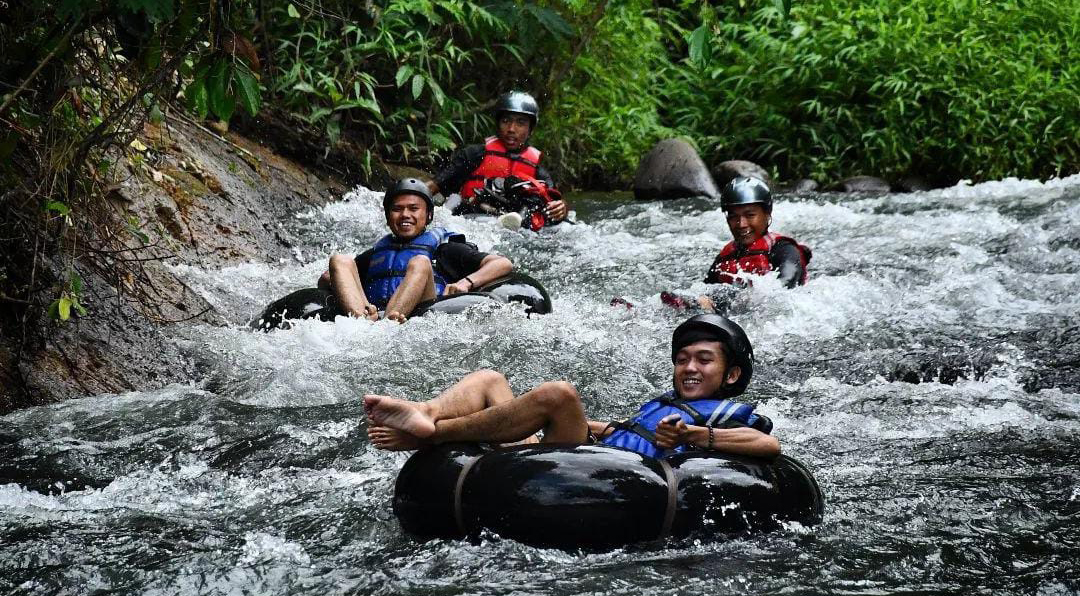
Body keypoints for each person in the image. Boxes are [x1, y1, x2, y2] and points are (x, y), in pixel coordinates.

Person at [365, 314, 779, 459]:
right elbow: (621, 433)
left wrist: (694, 435)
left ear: (731, 375)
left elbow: (768, 447)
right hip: (589, 449)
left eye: (703, 360)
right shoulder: (665, 403)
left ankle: (429, 436)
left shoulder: (726, 414)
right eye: (682, 359)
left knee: (559, 394)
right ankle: (427, 412)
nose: (688, 367)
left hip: (598, 471)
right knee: (490, 379)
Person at [318, 178, 513, 322]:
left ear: (428, 215)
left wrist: (466, 282)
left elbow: (502, 263)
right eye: (397, 209)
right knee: (339, 260)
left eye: (413, 209)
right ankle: (361, 323)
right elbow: (327, 279)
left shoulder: (445, 249)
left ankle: (387, 325)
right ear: (387, 217)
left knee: (420, 261)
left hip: (422, 312)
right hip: (372, 318)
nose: (405, 215)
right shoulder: (377, 254)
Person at [426, 91, 569, 227]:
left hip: (516, 227)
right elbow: (434, 185)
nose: (511, 129)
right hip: (470, 218)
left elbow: (556, 202)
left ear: (530, 129)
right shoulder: (474, 154)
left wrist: (562, 208)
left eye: (520, 123)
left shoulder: (538, 171)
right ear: (498, 124)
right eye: (506, 121)